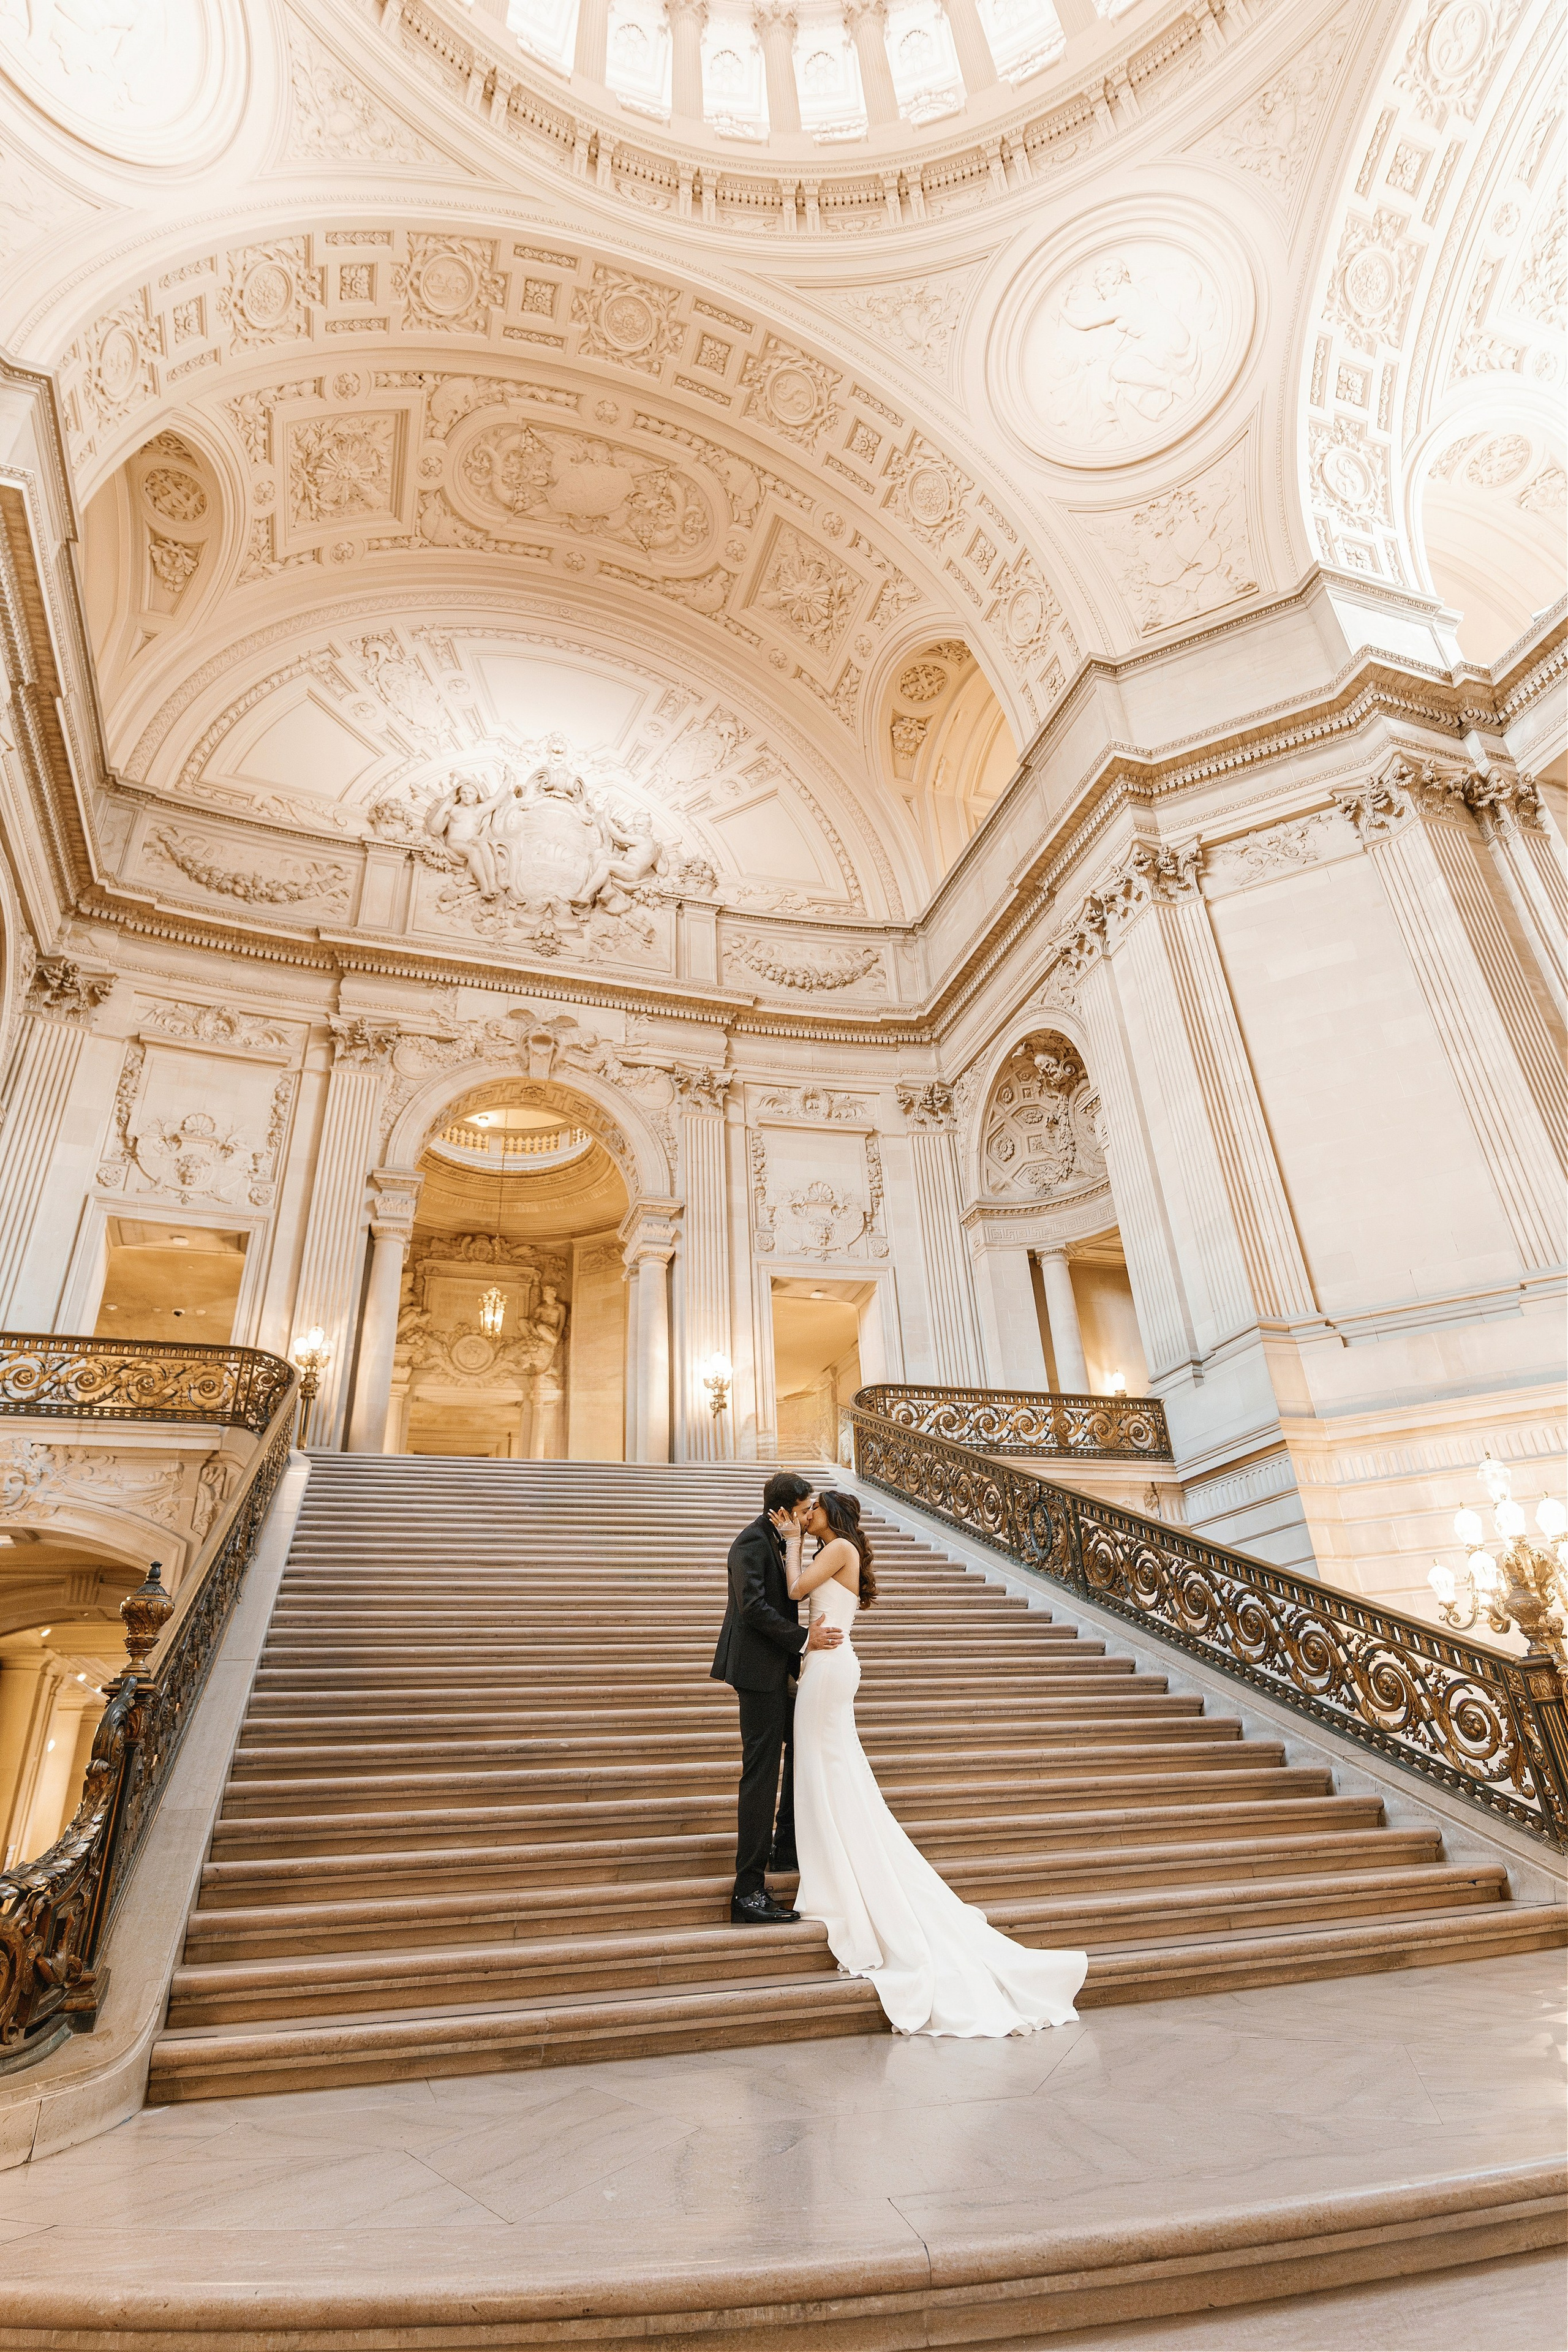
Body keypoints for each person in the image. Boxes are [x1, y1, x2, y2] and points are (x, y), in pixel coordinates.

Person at [785, 1487, 1087, 2037]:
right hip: (824, 1666)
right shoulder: (836, 1549)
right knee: (829, 1773)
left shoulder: (839, 1548)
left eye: (816, 1509)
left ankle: (845, 1875)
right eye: (807, 1511)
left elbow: (794, 1588)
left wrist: (789, 1538)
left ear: (835, 1513)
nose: (810, 1516)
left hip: (829, 1672)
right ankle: (839, 1867)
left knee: (831, 1771)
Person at [710, 1471, 843, 1926]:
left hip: (778, 1671)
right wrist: (805, 1639)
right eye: (806, 1510)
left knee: (804, 1745)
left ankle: (785, 1847)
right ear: (785, 1509)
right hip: (757, 1673)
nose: (810, 1518)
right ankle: (747, 1892)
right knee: (761, 1774)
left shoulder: (780, 1538)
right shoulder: (750, 1542)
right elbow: (753, 1608)